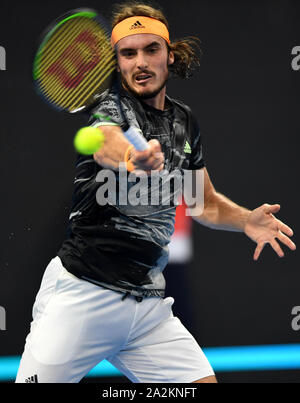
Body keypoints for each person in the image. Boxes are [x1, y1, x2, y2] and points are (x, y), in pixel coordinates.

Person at [16, 2, 296, 384]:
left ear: (169, 53)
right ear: (116, 62)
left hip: (146, 309)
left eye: (151, 49)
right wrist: (132, 157)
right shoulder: (108, 107)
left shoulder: (185, 122)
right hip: (82, 298)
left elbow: (204, 202)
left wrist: (246, 219)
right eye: (128, 53)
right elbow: (105, 141)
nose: (140, 62)